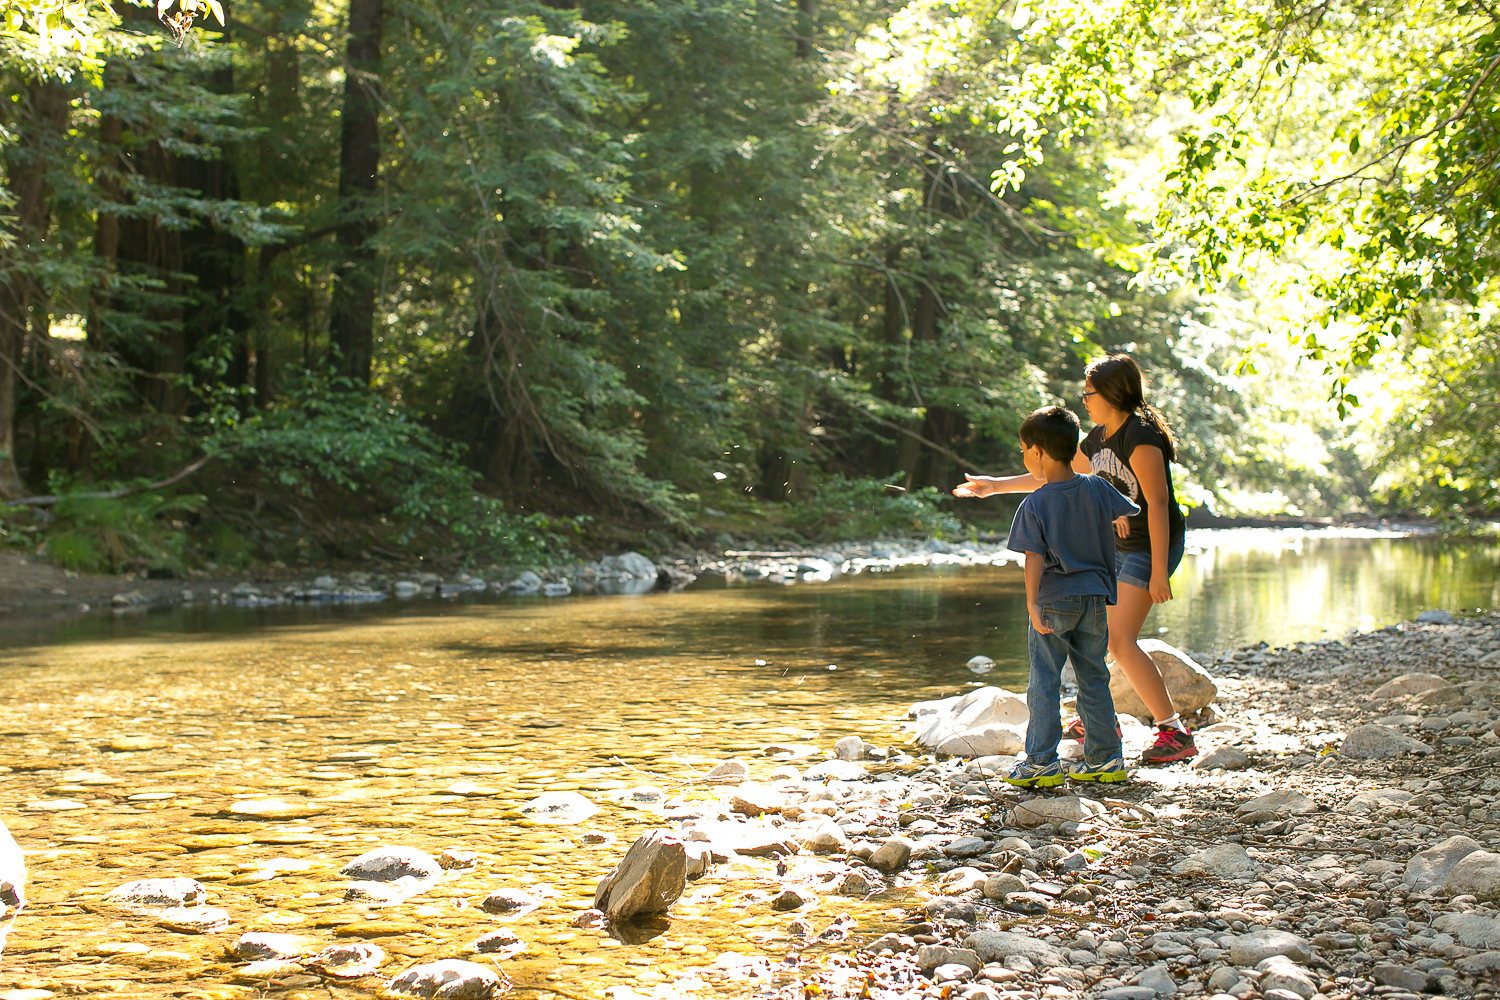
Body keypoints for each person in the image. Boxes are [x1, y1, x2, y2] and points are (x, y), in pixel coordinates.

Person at [953, 353, 1198, 765]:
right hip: (1115, 545)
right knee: (1095, 629)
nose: (1084, 400)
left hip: (1153, 544)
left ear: (1112, 394)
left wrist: (1159, 570)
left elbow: (1157, 503)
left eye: (1089, 392)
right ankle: (1099, 717)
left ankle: (1173, 731)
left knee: (1119, 640)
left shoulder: (1139, 437)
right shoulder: (1098, 438)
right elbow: (1053, 473)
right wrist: (994, 487)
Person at [976, 405, 1138, 787]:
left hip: (1054, 600)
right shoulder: (1098, 487)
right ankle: (1106, 759)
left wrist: (1032, 603)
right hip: (1096, 599)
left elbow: (1034, 558)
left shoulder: (1035, 502)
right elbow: (1126, 510)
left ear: (1037, 452)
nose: (1023, 457)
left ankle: (1041, 762)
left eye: (1022, 450)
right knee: (1094, 678)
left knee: (1045, 681)